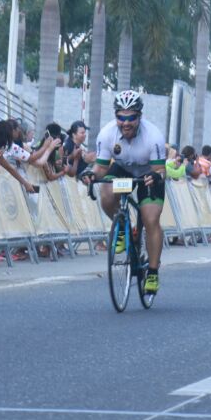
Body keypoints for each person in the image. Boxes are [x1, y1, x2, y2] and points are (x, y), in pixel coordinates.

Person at [79, 90, 167, 294]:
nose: (126, 123)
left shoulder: (153, 136)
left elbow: (160, 171)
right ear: (115, 116)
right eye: (121, 117)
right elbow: (100, 168)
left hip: (149, 173)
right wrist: (91, 175)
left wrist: (155, 177)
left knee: (150, 219)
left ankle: (152, 272)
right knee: (106, 194)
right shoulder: (107, 134)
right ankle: (123, 226)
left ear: (139, 116)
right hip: (123, 169)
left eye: (131, 118)